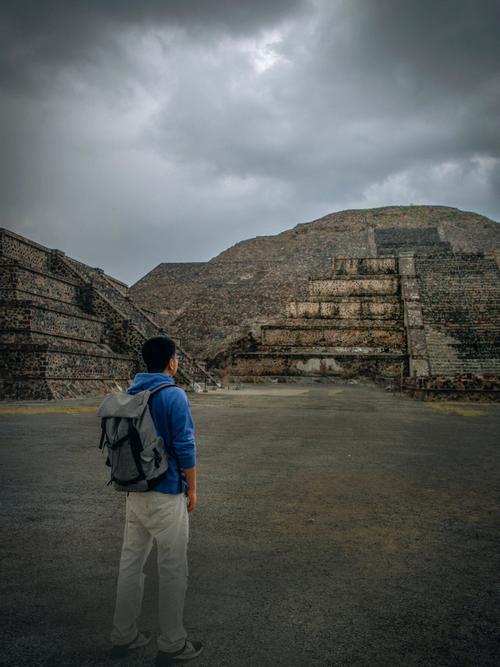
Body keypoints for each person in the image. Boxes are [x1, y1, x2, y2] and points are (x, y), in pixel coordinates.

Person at [109, 335, 203, 665]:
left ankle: (123, 634)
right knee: (173, 567)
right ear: (171, 362)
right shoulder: (173, 394)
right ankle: (172, 642)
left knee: (131, 564)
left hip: (135, 492)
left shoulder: (133, 392)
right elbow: (185, 446)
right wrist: (192, 488)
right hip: (166, 494)